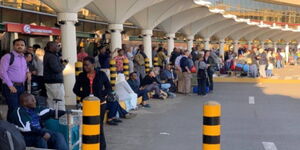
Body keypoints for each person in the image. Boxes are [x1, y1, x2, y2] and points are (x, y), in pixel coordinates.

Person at [0, 39, 31, 121]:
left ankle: (17, 125)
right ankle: (10, 127)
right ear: (13, 46)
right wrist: (10, 86)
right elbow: (2, 72)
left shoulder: (23, 57)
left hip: (21, 86)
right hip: (10, 86)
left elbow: (26, 68)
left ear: (25, 47)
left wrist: (28, 73)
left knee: (20, 107)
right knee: (13, 108)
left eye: (22, 45)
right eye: (17, 45)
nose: (20, 46)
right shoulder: (8, 57)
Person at [43, 41, 67, 110]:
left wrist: (60, 62)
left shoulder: (47, 55)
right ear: (51, 47)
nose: (58, 47)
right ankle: (60, 116)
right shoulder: (52, 57)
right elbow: (57, 69)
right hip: (55, 82)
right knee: (59, 100)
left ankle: (52, 115)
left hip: (49, 81)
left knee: (51, 100)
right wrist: (64, 64)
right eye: (56, 46)